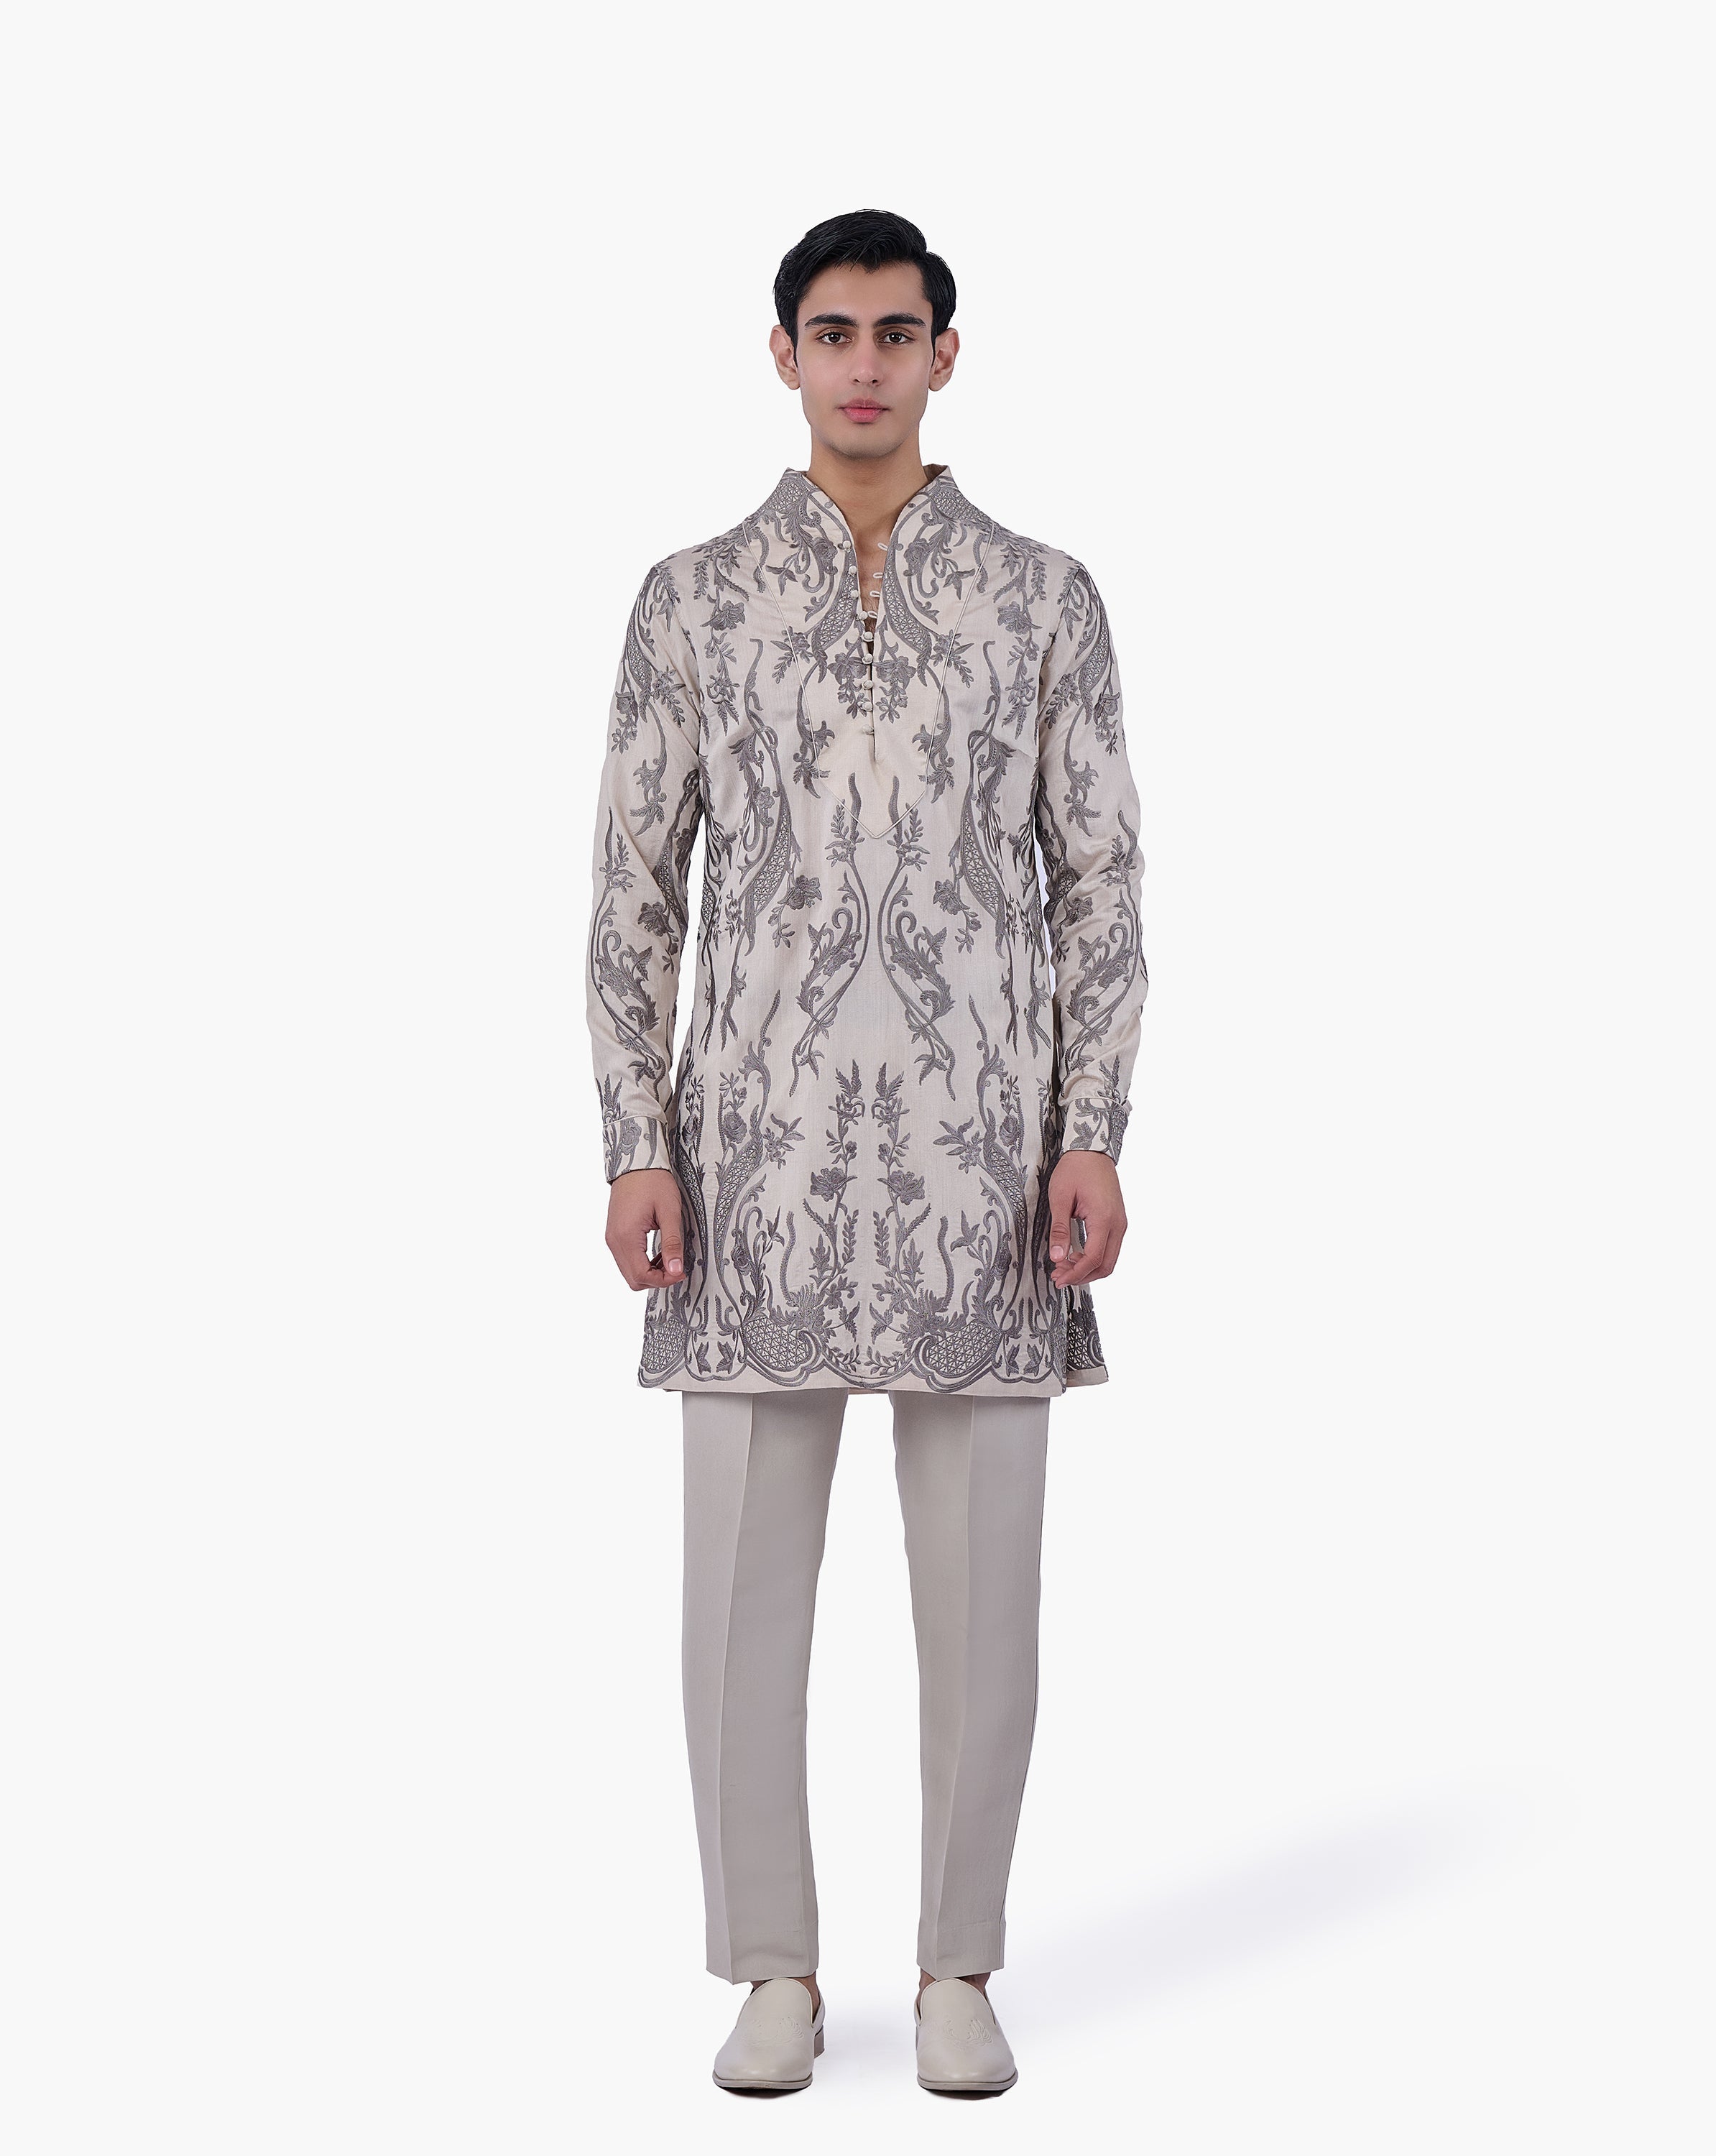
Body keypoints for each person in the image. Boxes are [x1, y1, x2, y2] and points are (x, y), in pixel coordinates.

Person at [585, 208, 1148, 2097]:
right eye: (830, 332)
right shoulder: (691, 600)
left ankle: (957, 1965)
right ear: (781, 354)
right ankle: (770, 1965)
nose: (862, 364)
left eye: (895, 333)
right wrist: (635, 1140)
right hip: (750, 1165)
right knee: (738, 1593)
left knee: (985, 1597)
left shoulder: (1044, 600)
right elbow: (631, 891)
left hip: (984, 1168)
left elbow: (1100, 887)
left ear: (943, 357)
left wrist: (1090, 1129)